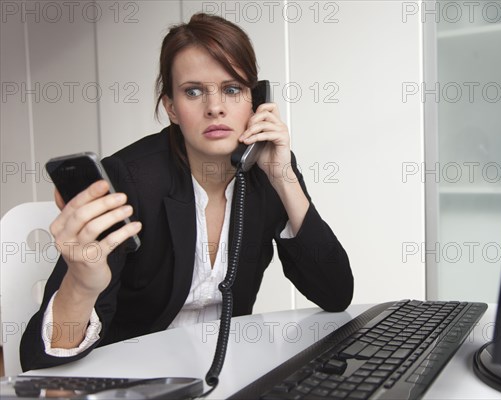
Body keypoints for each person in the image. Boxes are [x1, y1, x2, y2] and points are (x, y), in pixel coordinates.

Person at [20, 13, 353, 371]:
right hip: (137, 378)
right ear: (171, 108)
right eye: (193, 91)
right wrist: (83, 285)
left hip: (228, 372)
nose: (214, 107)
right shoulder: (127, 179)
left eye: (232, 89)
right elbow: (38, 359)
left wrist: (284, 178)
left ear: (255, 101)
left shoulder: (268, 168)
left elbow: (335, 293)